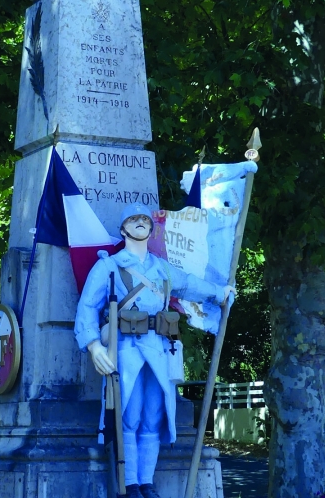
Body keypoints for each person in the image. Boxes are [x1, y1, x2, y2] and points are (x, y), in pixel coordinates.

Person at [74, 203, 234, 498]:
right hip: (126, 350)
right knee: (130, 416)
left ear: (151, 228)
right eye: (133, 220)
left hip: (160, 349)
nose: (139, 224)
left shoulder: (162, 268)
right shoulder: (109, 265)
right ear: (123, 229)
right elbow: (86, 308)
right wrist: (94, 345)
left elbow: (189, 285)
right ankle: (131, 484)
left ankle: (146, 484)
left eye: (144, 220)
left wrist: (219, 293)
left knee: (154, 416)